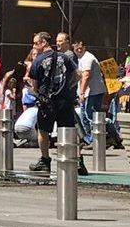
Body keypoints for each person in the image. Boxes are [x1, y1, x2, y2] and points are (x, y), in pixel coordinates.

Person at [26, 32, 83, 173]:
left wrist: (34, 89)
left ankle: (45, 160)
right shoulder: (64, 57)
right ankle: (77, 161)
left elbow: (34, 85)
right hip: (64, 100)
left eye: (35, 43)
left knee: (43, 131)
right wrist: (69, 87)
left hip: (47, 102)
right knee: (68, 131)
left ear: (44, 42)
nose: (34, 46)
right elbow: (78, 74)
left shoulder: (38, 61)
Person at [73, 40, 107, 146]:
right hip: (92, 91)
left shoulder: (87, 58)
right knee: (90, 115)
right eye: (76, 47)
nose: (78, 49)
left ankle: (93, 139)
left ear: (84, 47)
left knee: (89, 115)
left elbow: (86, 75)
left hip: (92, 92)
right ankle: (92, 138)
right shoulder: (81, 58)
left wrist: (82, 92)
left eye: (80, 47)